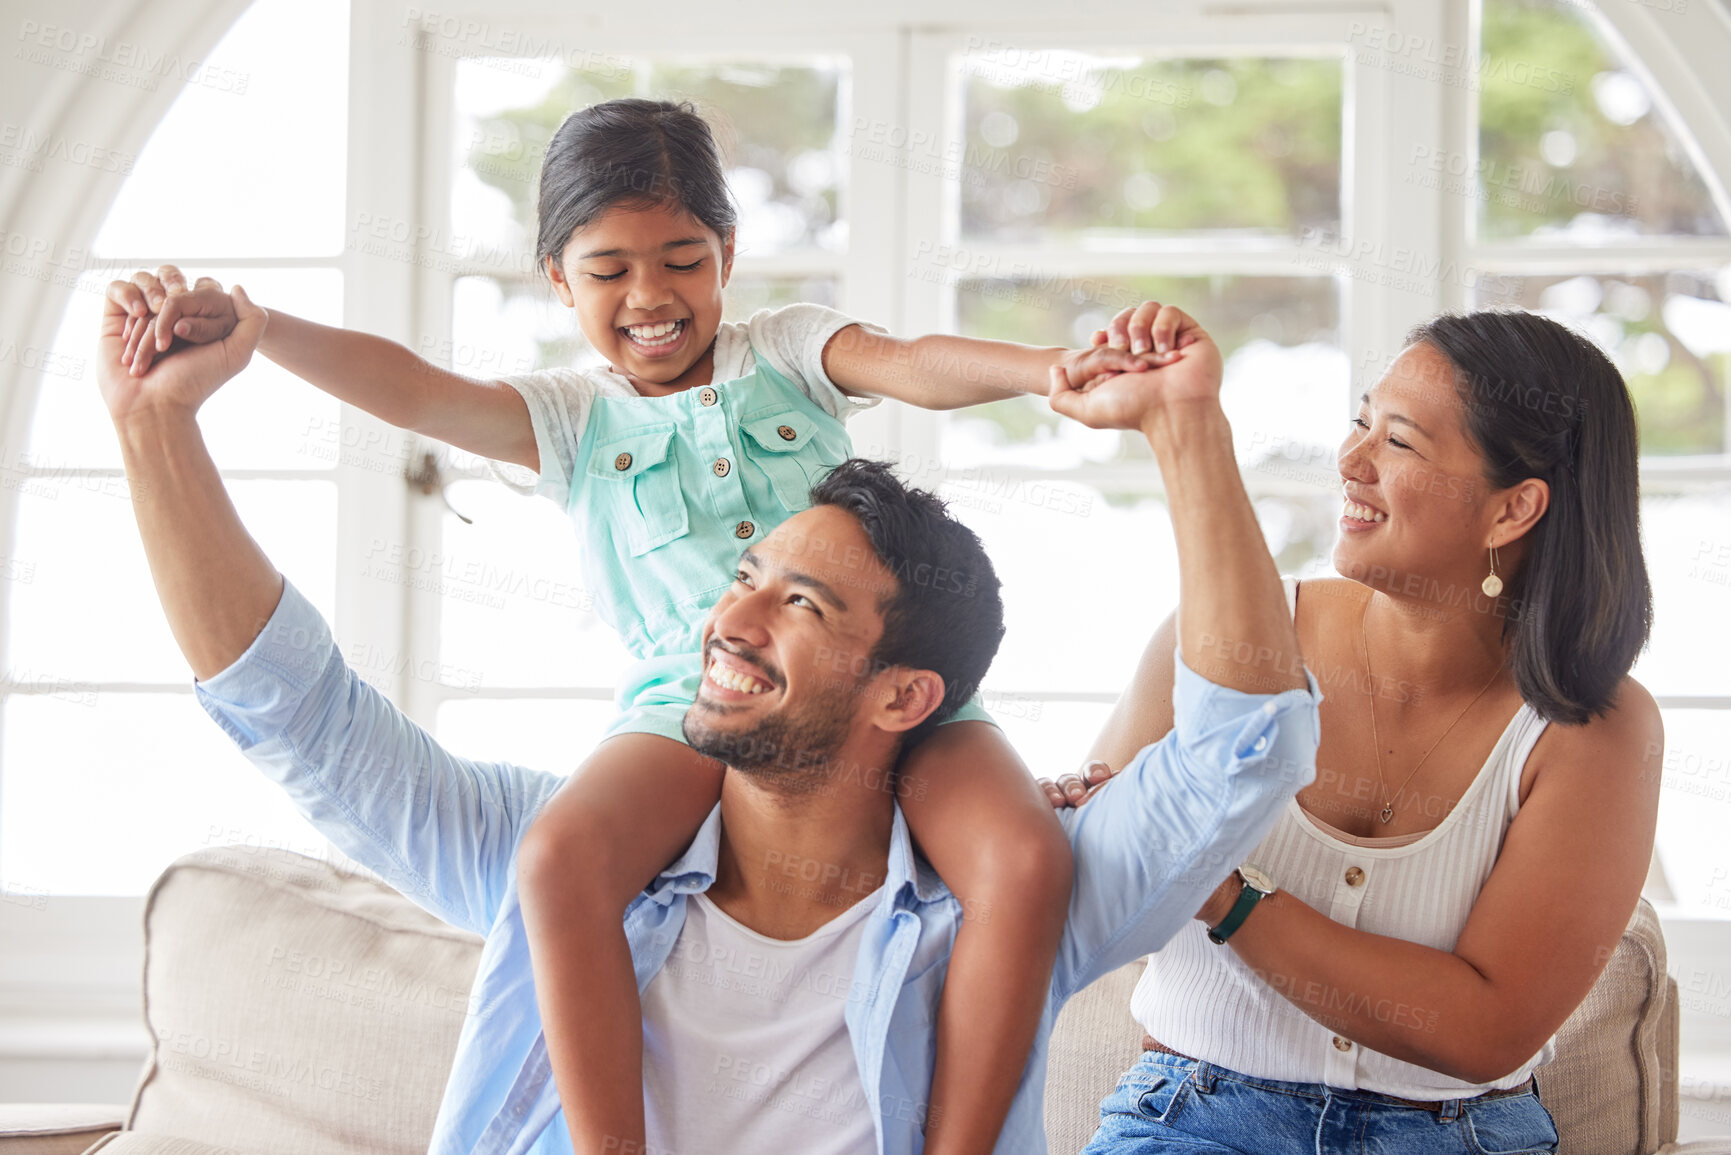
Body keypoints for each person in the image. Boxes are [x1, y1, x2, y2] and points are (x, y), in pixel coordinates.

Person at [103, 98, 1174, 1155]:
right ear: (557, 278)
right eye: (610, 270)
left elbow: (913, 361)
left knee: (1026, 861)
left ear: (729, 253)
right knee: (563, 852)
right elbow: (416, 389)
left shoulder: (788, 354)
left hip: (877, 690)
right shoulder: (573, 421)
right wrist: (263, 331)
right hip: (690, 700)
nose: (652, 296)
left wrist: (1047, 374)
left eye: (684, 260)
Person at [1043, 307, 1662, 1153]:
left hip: (1458, 1136)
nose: (1350, 460)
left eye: (1398, 442)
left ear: (1513, 508)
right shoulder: (1230, 637)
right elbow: (1098, 887)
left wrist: (1224, 894)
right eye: (1359, 422)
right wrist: (1073, 821)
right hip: (1193, 1116)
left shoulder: (1596, 727)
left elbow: (1484, 1027)